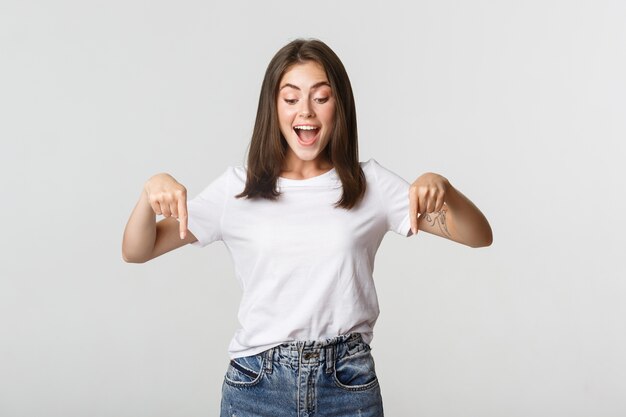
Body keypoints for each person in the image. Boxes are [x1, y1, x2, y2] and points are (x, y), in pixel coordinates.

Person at [122, 38, 492, 417]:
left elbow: (479, 236)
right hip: (257, 387)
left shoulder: (372, 186)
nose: (306, 111)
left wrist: (444, 187)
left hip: (347, 385)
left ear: (339, 106)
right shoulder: (238, 189)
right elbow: (138, 250)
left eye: (321, 97)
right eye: (291, 98)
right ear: (274, 107)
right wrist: (149, 192)